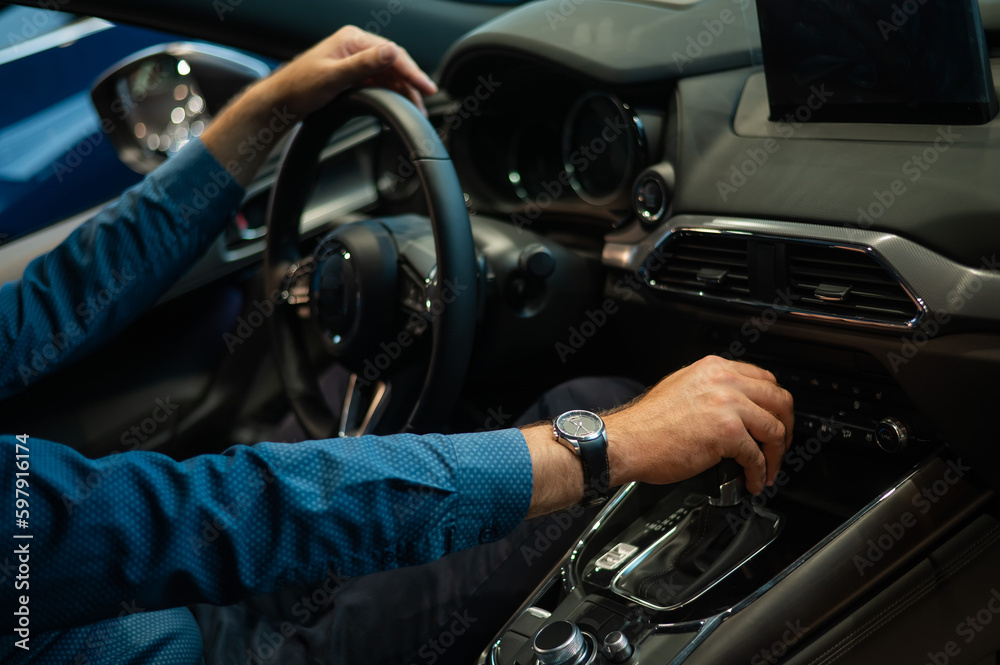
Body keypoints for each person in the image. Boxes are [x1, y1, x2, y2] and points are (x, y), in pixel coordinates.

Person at [0, 26, 794, 664]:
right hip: (201, 640)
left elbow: (53, 299)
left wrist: (274, 103)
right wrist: (604, 446)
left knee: (363, 408)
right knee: (592, 402)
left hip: (151, 598)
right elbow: (215, 514)